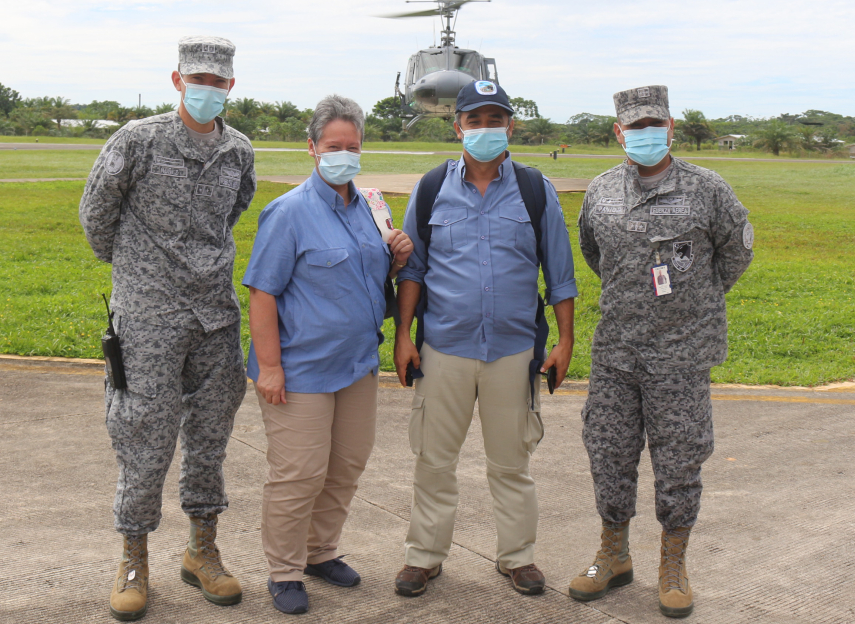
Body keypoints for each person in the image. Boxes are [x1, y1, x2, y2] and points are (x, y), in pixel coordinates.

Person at [79, 36, 256, 622]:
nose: (208, 88)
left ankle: (202, 550)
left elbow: (233, 213)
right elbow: (96, 216)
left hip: (214, 315)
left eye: (218, 81)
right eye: (198, 78)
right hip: (148, 317)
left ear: (231, 86)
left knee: (210, 436)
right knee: (143, 436)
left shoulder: (238, 151)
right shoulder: (138, 140)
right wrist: (138, 274)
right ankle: (133, 560)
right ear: (178, 80)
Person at [571, 86, 754, 618]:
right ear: (618, 132)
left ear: (670, 128)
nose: (645, 133)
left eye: (654, 124)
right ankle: (613, 554)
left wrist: (692, 306)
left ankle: (673, 564)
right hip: (616, 352)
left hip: (681, 354)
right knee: (608, 452)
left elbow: (736, 252)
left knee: (679, 460)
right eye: (635, 126)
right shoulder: (601, 190)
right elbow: (593, 253)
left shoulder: (707, 188)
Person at [392, 80, 578, 598]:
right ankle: (424, 557)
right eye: (475, 120)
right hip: (443, 348)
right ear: (458, 128)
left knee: (511, 464)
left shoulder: (535, 190)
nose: (485, 129)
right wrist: (403, 335)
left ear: (510, 127)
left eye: (495, 120)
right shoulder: (432, 188)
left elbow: (559, 275)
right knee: (433, 462)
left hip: (512, 350)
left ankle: (517, 557)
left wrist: (564, 342)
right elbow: (412, 271)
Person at [243, 95, 414, 615]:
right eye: (333, 146)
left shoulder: (370, 207)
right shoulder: (288, 212)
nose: (344, 154)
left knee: (345, 465)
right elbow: (262, 293)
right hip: (300, 368)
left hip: (356, 364)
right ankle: (284, 571)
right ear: (313, 147)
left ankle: (320, 552)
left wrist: (396, 257)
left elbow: (366, 276)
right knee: (299, 473)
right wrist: (270, 367)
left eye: (352, 146)